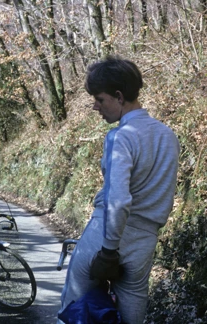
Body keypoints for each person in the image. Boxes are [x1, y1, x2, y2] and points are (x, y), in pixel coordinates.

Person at [58, 56, 180, 324]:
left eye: (99, 100)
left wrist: (109, 251)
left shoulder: (120, 136)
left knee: (74, 311)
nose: (95, 107)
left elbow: (119, 200)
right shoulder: (168, 136)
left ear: (118, 96)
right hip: (145, 240)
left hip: (107, 237)